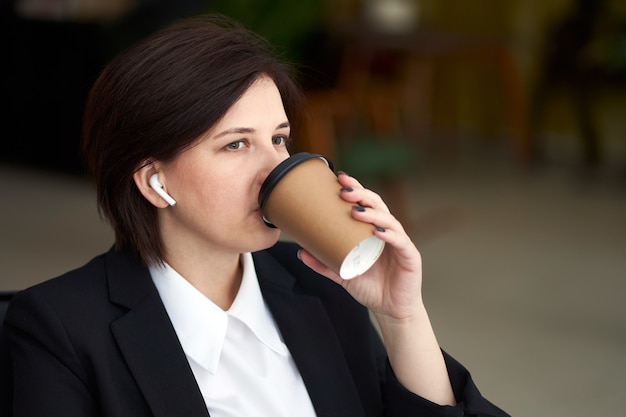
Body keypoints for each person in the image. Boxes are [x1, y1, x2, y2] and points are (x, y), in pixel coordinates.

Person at [4, 14, 510, 417]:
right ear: (155, 182)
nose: (277, 170)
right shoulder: (58, 330)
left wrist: (402, 316)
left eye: (279, 139)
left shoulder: (319, 283)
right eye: (236, 144)